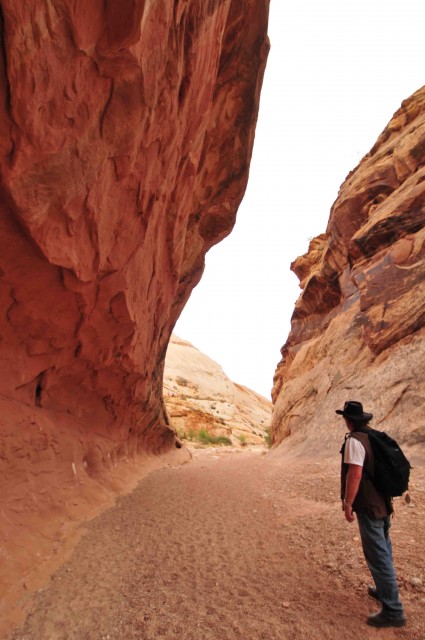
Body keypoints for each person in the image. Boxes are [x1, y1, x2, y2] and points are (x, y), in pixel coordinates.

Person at [336, 400, 406, 628]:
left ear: (348, 420)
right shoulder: (373, 436)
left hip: (369, 505)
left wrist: (348, 503)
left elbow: (354, 474)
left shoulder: (355, 441)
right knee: (384, 548)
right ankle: (382, 589)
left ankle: (393, 611)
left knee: (378, 555)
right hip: (383, 502)